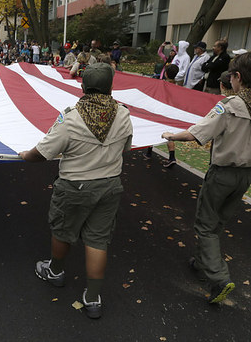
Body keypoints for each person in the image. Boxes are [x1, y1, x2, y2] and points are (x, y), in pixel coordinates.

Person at [19, 62, 133, 319]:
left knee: (63, 230)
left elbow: (44, 151)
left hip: (75, 187)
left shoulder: (71, 118)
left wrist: (26, 156)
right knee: (97, 240)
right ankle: (92, 299)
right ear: (111, 87)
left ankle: (55, 271)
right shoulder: (124, 114)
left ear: (82, 86)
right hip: (110, 186)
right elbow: (126, 148)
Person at [161, 52, 251, 304]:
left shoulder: (232, 105)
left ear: (238, 77)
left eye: (232, 76)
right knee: (218, 220)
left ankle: (219, 278)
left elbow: (198, 133)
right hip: (245, 176)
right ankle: (202, 261)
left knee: (205, 223)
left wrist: (171, 135)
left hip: (223, 173)